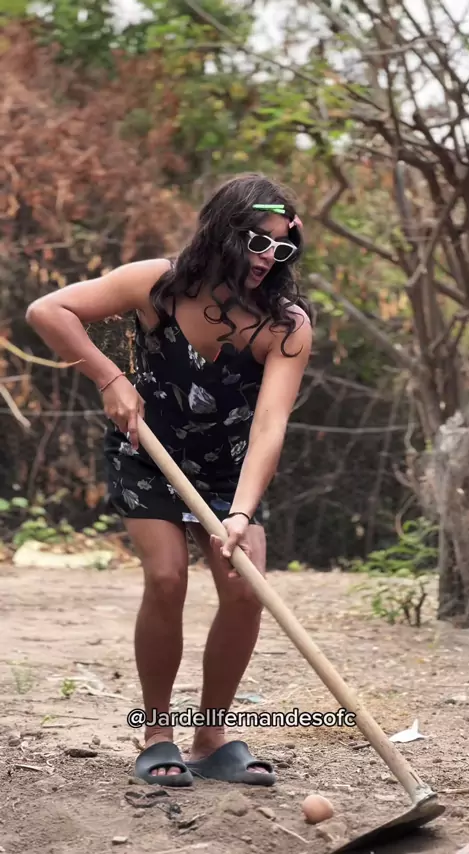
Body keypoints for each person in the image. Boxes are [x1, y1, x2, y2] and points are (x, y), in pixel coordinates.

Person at [26, 172, 313, 788]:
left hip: (230, 466)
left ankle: (212, 737)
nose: (270, 257)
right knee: (166, 577)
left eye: (282, 247)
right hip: (148, 451)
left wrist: (240, 513)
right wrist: (110, 378)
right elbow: (48, 310)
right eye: (259, 241)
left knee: (244, 587)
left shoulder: (285, 326)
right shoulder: (157, 284)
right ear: (225, 231)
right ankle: (157, 733)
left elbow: (269, 425)